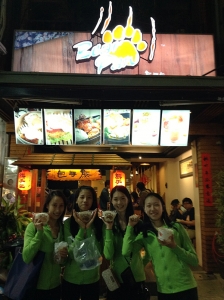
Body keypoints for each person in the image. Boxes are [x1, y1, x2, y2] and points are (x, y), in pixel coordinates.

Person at [122, 192, 199, 300]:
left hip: (186, 288)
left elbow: (194, 261)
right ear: (144, 209)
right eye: (148, 206)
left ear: (162, 207)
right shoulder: (145, 234)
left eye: (156, 205)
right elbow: (126, 252)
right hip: (164, 291)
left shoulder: (177, 228)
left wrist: (174, 247)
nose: (153, 208)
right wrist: (130, 227)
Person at [102, 185, 149, 300]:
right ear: (111, 201)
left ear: (129, 199)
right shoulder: (108, 224)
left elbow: (148, 250)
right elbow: (108, 255)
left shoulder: (138, 223)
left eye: (123, 198)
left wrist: (139, 264)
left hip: (136, 277)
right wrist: (109, 228)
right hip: (116, 278)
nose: (119, 202)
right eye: (116, 199)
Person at [22, 190, 68, 300]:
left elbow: (62, 263)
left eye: (61, 206)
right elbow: (26, 257)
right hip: (35, 286)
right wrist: (39, 233)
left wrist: (64, 256)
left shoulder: (62, 228)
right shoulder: (33, 226)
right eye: (54, 205)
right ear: (47, 205)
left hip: (55, 286)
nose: (58, 210)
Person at [62, 186, 103, 300]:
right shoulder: (68, 224)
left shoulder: (99, 224)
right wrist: (81, 230)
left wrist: (88, 228)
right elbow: (69, 254)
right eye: (82, 197)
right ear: (76, 200)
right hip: (71, 277)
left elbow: (98, 252)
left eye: (89, 197)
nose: (85, 200)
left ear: (93, 201)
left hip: (92, 278)